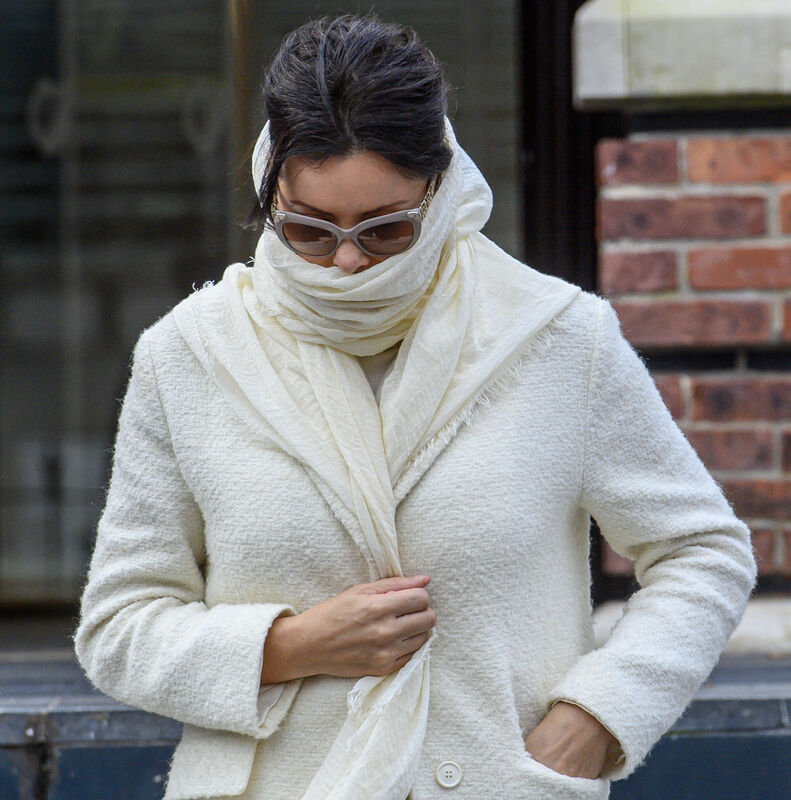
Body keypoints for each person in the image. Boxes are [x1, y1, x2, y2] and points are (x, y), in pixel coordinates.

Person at [74, 14, 756, 800]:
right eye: (308, 228)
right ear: (270, 191)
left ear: (439, 192)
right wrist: (286, 647)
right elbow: (118, 626)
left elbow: (703, 552)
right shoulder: (190, 354)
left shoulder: (558, 337)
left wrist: (594, 719)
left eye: (386, 229)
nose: (347, 258)